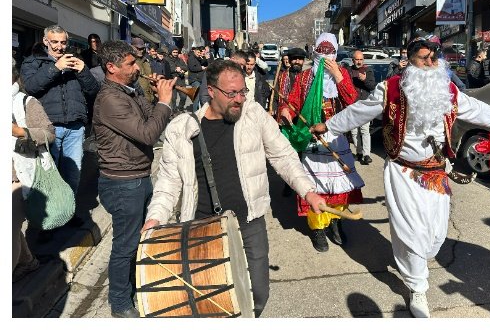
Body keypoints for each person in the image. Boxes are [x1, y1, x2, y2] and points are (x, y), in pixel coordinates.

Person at [312, 36, 490, 317]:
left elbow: (472, 107)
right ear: (410, 61)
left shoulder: (448, 90)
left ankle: (415, 260)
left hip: (436, 173)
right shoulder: (390, 88)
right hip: (402, 172)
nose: (431, 65)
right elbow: (359, 112)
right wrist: (329, 126)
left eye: (434, 59)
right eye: (424, 59)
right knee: (411, 233)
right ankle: (417, 287)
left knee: (435, 235)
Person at [145, 59, 325, 317]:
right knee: (212, 299)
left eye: (242, 92)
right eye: (231, 93)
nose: (239, 99)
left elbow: (283, 156)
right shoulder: (181, 129)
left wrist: (307, 190)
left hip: (249, 222)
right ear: (212, 91)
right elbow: (168, 183)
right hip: (201, 227)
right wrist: (155, 218)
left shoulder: (253, 115)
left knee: (258, 293)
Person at [91, 41, 176, 317]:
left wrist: (154, 96)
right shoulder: (110, 99)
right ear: (111, 67)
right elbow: (148, 134)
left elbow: (153, 120)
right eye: (130, 64)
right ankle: (120, 303)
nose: (137, 67)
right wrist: (163, 101)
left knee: (140, 239)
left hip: (138, 175)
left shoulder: (131, 91)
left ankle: (133, 287)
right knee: (125, 246)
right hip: (122, 182)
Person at [278, 33, 362, 252]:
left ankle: (335, 222)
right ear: (315, 51)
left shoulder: (342, 73)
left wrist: (339, 78)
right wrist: (286, 110)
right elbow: (293, 101)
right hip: (312, 138)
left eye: (329, 51)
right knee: (316, 186)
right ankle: (318, 230)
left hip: (336, 138)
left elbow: (353, 103)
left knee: (338, 186)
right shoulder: (306, 77)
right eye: (321, 50)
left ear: (335, 52)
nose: (325, 56)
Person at [19, 26, 100, 216]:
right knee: (50, 175)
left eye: (63, 42)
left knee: (73, 174)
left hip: (75, 126)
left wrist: (83, 72)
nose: (59, 46)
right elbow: (30, 87)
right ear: (45, 41)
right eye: (54, 42)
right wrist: (55, 68)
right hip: (49, 128)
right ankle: (48, 219)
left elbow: (93, 91)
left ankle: (67, 213)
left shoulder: (76, 61)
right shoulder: (33, 62)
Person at [12, 67, 55, 278]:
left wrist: (22, 132)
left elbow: (49, 134)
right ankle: (27, 261)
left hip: (19, 177)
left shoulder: (26, 103)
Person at [348, 49, 377, 164]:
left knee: (365, 130)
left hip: (365, 104)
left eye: (361, 59)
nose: (359, 62)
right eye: (357, 59)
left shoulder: (368, 70)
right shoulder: (348, 71)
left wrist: (365, 80)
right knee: (354, 131)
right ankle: (359, 152)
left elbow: (372, 86)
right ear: (353, 60)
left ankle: (366, 155)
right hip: (353, 104)